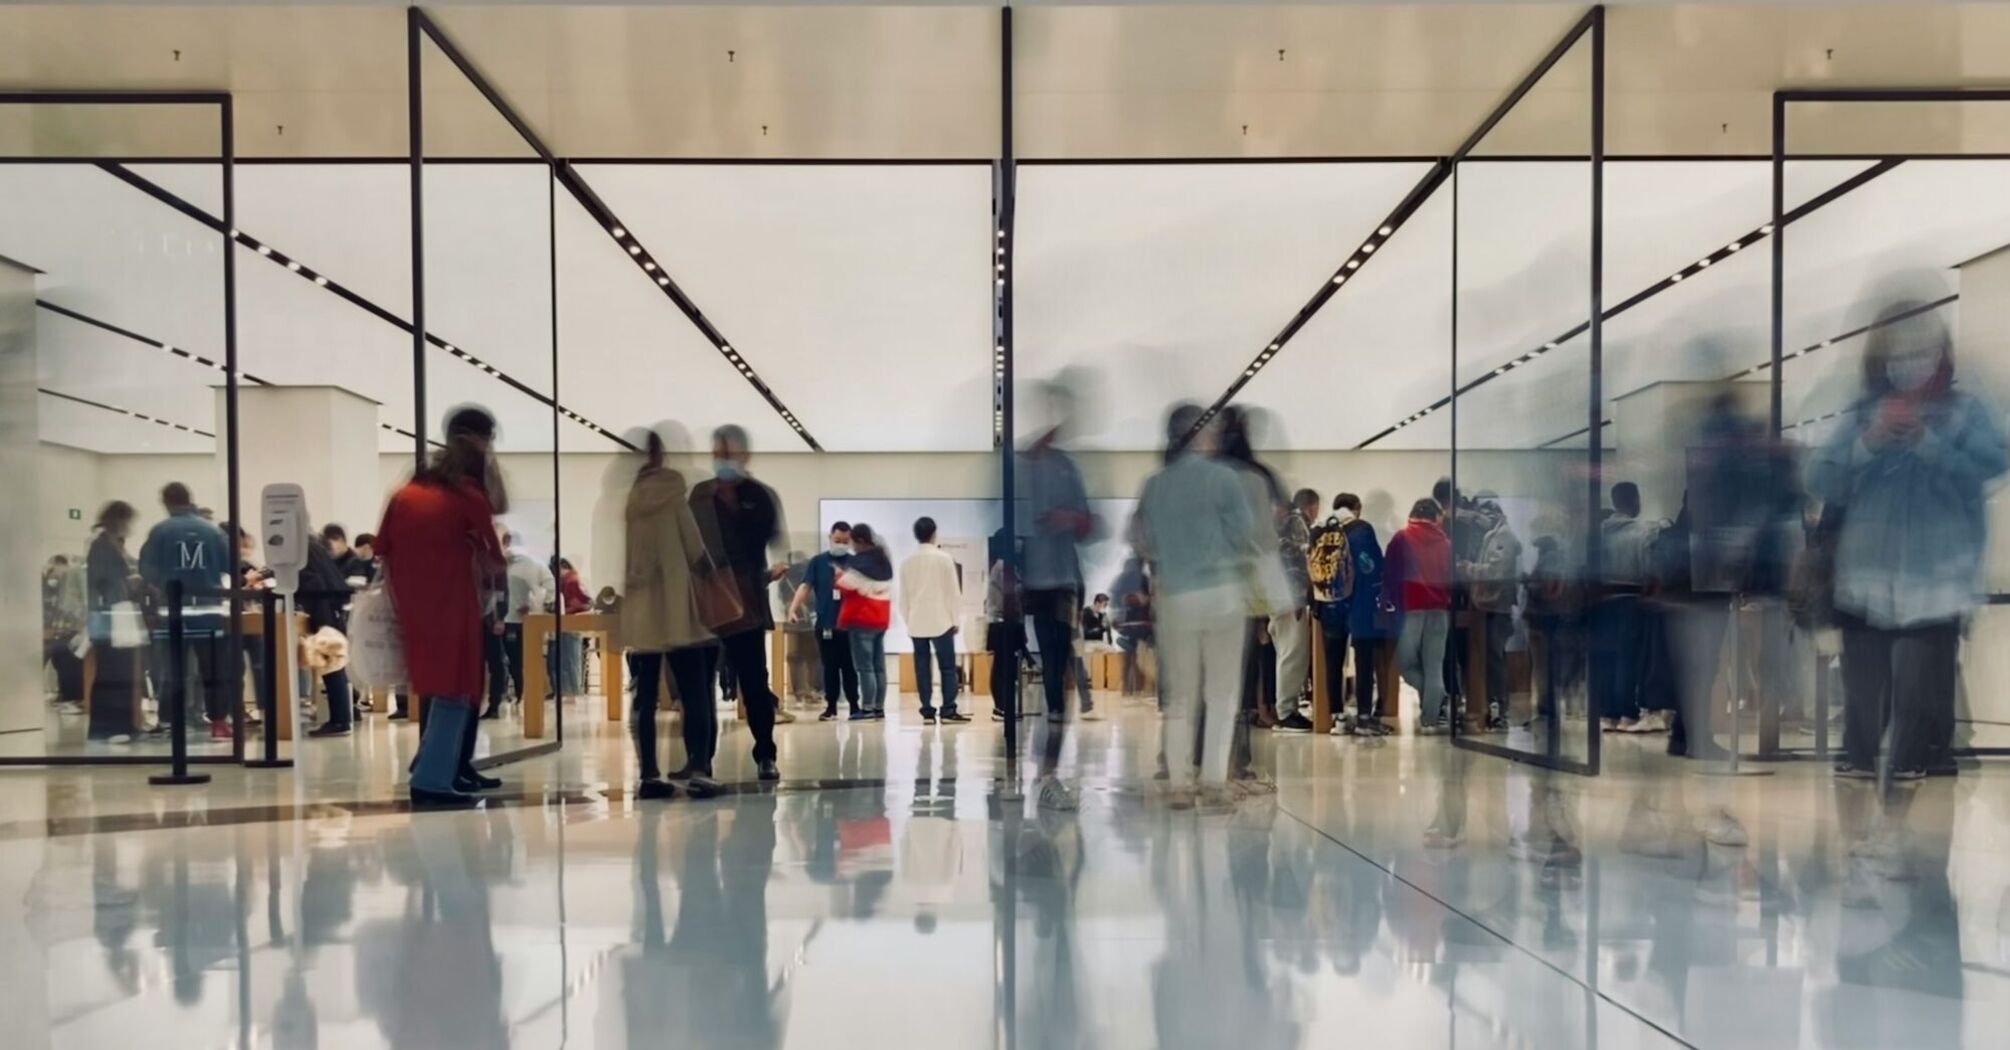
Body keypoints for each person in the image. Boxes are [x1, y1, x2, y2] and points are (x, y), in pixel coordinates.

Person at [1807, 301, 2008, 781]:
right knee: (1861, 710)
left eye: (1921, 350)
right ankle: (1861, 813)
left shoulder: (1965, 412)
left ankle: (1909, 800)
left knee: (1916, 708)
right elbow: (1821, 477)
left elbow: (1991, 467)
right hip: (1864, 581)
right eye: (1898, 351)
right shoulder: (1862, 412)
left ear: (1941, 354)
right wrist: (1870, 442)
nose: (1909, 362)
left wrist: (1928, 443)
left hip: (1936, 583)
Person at [375, 406, 509, 806]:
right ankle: (434, 779)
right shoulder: (468, 497)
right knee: (458, 687)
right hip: (454, 603)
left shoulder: (405, 495)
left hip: (412, 605)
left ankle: (438, 768)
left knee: (434, 686)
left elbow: (382, 548)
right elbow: (495, 557)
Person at [1132, 404, 1262, 808]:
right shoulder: (1224, 479)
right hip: (1222, 595)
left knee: (1180, 696)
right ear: (1203, 435)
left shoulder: (1156, 484)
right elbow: (1245, 535)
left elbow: (1143, 541)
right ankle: (1214, 782)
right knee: (1222, 693)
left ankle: (1178, 785)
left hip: (1175, 597)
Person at [688, 424, 790, 781]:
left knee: (754, 682)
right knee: (700, 683)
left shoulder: (760, 496)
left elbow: (769, 542)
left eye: (729, 453)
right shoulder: (700, 496)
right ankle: (700, 759)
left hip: (746, 602)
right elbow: (688, 545)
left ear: (744, 455)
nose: (723, 459)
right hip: (706, 604)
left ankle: (765, 752)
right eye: (718, 452)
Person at [621, 430, 718, 799]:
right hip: (678, 606)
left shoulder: (625, 499)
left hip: (641, 607)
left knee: (643, 694)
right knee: (694, 690)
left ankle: (648, 774)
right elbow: (695, 548)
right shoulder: (674, 494)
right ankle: (699, 769)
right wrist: (715, 579)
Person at [1016, 381, 1097, 809]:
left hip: (1061, 583)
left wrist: (1074, 519)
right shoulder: (1016, 466)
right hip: (1021, 584)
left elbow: (1088, 525)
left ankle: (1048, 769)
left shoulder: (1067, 467)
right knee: (1023, 673)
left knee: (1056, 675)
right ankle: (1031, 764)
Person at [137, 482, 234, 741]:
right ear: (190, 499)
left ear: (167, 503)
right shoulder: (213, 532)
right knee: (213, 670)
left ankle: (171, 722)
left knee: (173, 670)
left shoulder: (160, 532)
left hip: (173, 613)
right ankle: (218, 722)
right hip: (209, 610)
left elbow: (147, 571)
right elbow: (230, 566)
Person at [1324, 493, 1393, 735]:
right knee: (1364, 660)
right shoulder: (1362, 529)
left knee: (1333, 660)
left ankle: (1338, 718)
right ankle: (1364, 717)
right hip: (1359, 604)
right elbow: (1371, 566)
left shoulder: (1322, 529)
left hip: (1329, 605)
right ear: (1357, 508)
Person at [1385, 497, 1452, 732]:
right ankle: (1430, 718)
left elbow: (1390, 576)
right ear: (1434, 517)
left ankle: (1433, 700)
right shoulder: (1445, 543)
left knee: (1404, 663)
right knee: (1434, 666)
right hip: (1440, 609)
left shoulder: (1401, 538)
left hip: (1410, 608)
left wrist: (1387, 604)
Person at [1595, 481, 1657, 732]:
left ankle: (1608, 713)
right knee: (1628, 659)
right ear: (1635, 500)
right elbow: (1648, 568)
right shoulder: (1643, 532)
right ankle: (1627, 713)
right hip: (1631, 598)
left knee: (1607, 657)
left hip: (1602, 600)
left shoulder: (1599, 532)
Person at [788, 522, 861, 721]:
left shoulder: (855, 563)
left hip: (850, 625)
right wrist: (793, 608)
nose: (841, 544)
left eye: (845, 541)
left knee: (849, 666)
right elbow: (805, 586)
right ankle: (831, 707)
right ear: (830, 537)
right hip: (826, 623)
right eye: (837, 540)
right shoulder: (818, 562)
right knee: (829, 666)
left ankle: (855, 705)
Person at [1461, 494, 1521, 730]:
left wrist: (1468, 568)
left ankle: (1499, 708)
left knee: (1495, 659)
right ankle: (1495, 706)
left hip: (1497, 607)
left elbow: (1496, 572)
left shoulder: (1503, 537)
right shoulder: (1493, 535)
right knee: (1491, 659)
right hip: (1490, 607)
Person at [85, 501, 143, 743]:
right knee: (112, 671)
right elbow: (102, 582)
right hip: (111, 615)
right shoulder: (101, 547)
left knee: (121, 670)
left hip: (119, 614)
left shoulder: (112, 545)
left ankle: (122, 724)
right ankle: (108, 726)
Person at [900, 516, 966, 724]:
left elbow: (904, 597)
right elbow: (953, 593)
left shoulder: (906, 562)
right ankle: (948, 710)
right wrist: (956, 620)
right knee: (947, 667)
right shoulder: (944, 558)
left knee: (922, 667)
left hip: (917, 621)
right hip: (942, 621)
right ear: (934, 533)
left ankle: (927, 710)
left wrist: (908, 620)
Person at [1271, 487, 1321, 732]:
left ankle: (1284, 708)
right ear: (1311, 507)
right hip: (1290, 598)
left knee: (1285, 653)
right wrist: (1300, 596)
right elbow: (1301, 561)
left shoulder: (1278, 525)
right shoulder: (1296, 522)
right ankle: (1286, 712)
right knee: (1293, 654)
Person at [301, 529, 357, 737]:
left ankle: (340, 720)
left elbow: (311, 581)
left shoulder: (302, 549)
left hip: (322, 610)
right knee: (335, 666)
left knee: (332, 667)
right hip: (330, 607)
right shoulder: (313, 544)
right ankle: (342, 717)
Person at [836, 523, 894, 720]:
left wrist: (838, 575)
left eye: (851, 541)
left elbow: (845, 585)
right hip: (881, 618)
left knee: (865, 667)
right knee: (879, 666)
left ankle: (867, 708)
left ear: (859, 540)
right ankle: (879, 707)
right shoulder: (883, 560)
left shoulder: (860, 563)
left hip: (862, 619)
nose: (850, 545)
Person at [495, 532, 553, 719]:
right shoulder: (502, 564)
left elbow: (550, 589)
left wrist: (535, 604)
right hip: (506, 621)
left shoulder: (531, 564)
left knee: (520, 662)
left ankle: (523, 695)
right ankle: (517, 695)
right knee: (511, 662)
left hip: (522, 622)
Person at [43, 555, 86, 710]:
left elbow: (76, 605)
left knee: (65, 659)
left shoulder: (74, 575)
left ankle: (71, 697)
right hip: (63, 630)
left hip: (72, 629)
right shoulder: (61, 584)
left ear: (59, 564)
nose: (53, 575)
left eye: (53, 570)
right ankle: (66, 695)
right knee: (59, 659)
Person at [550, 558, 591, 701]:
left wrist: (565, 610)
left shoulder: (570, 581)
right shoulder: (573, 579)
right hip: (571, 623)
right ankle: (570, 692)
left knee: (570, 659)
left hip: (570, 622)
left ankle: (572, 693)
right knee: (569, 659)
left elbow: (582, 603)